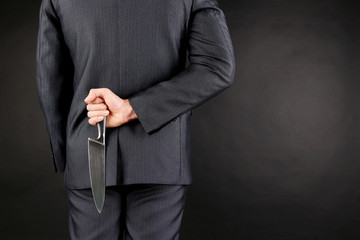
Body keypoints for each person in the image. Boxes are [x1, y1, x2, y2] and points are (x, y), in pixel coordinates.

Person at [36, 0, 235, 239]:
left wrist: (68, 152)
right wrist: (133, 109)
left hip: (88, 151)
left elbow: (50, 78)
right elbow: (217, 67)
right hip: (161, 155)